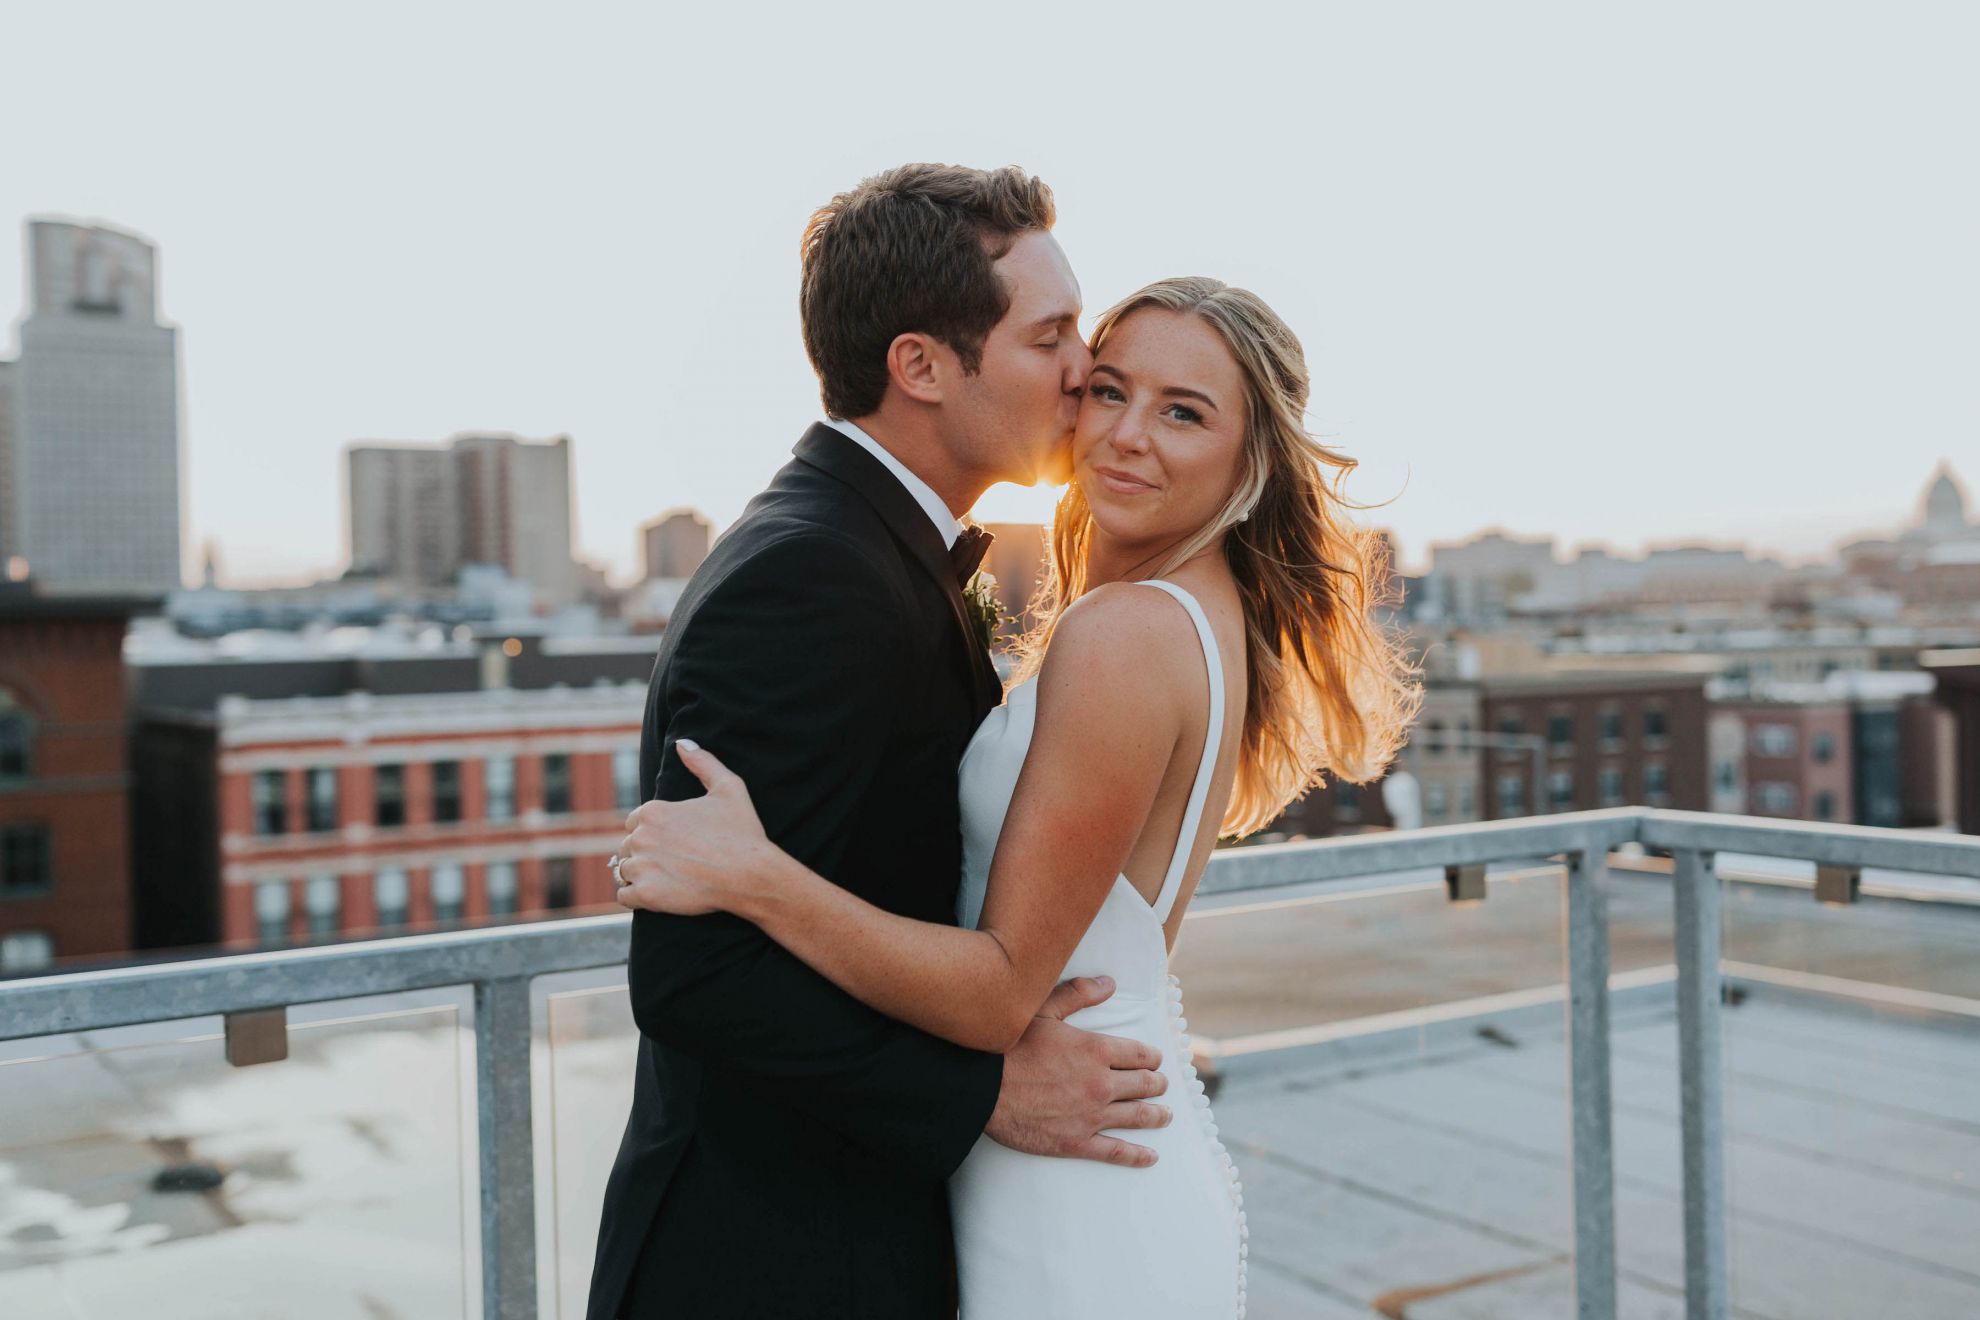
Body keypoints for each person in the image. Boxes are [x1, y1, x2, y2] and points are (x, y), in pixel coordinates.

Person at [614, 274, 1422, 1317]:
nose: (1126, 434)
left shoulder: (1125, 633)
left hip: (1075, 1167)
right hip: (1101, 1134)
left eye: (1183, 412)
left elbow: (1001, 990)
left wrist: (760, 878)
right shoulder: (1193, 617)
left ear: (1252, 457)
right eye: (1109, 389)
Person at [586, 164, 1179, 1320]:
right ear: (920, 366)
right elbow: (693, 977)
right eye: (1049, 336)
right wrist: (982, 1097)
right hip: (766, 1263)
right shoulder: (811, 578)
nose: (1084, 371)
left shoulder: (876, 549)